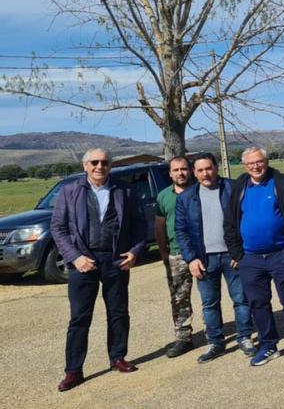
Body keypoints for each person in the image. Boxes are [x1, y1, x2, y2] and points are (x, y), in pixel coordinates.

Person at [51, 148, 146, 392]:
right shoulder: (70, 191)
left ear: (110, 166)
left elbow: (138, 224)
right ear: (85, 165)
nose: (99, 166)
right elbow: (58, 228)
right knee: (80, 318)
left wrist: (135, 251)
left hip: (116, 261)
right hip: (83, 262)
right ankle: (73, 370)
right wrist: (74, 257)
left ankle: (117, 357)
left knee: (118, 312)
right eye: (94, 162)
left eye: (104, 162)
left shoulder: (124, 190)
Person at [225, 146, 284, 366]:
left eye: (259, 161)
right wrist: (237, 254)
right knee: (258, 303)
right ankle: (268, 345)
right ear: (245, 166)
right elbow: (230, 223)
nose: (256, 166)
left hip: (280, 254)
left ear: (267, 161)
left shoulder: (281, 183)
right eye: (250, 163)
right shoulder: (239, 187)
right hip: (250, 259)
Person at [176, 152, 255, 364]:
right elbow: (181, 231)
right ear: (194, 172)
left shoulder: (232, 188)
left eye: (208, 168)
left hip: (232, 256)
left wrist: (240, 251)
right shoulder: (186, 198)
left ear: (216, 167)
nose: (205, 173)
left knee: (241, 299)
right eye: (200, 170)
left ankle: (245, 337)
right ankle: (216, 343)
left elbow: (246, 219)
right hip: (203, 260)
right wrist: (191, 259)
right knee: (209, 304)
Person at [155, 156, 196, 358]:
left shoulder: (201, 190)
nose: (180, 173)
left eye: (184, 169)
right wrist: (164, 253)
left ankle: (216, 333)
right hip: (176, 254)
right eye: (176, 170)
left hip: (203, 252)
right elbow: (160, 226)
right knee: (179, 298)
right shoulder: (163, 196)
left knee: (211, 297)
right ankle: (183, 338)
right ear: (170, 173)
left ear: (191, 170)